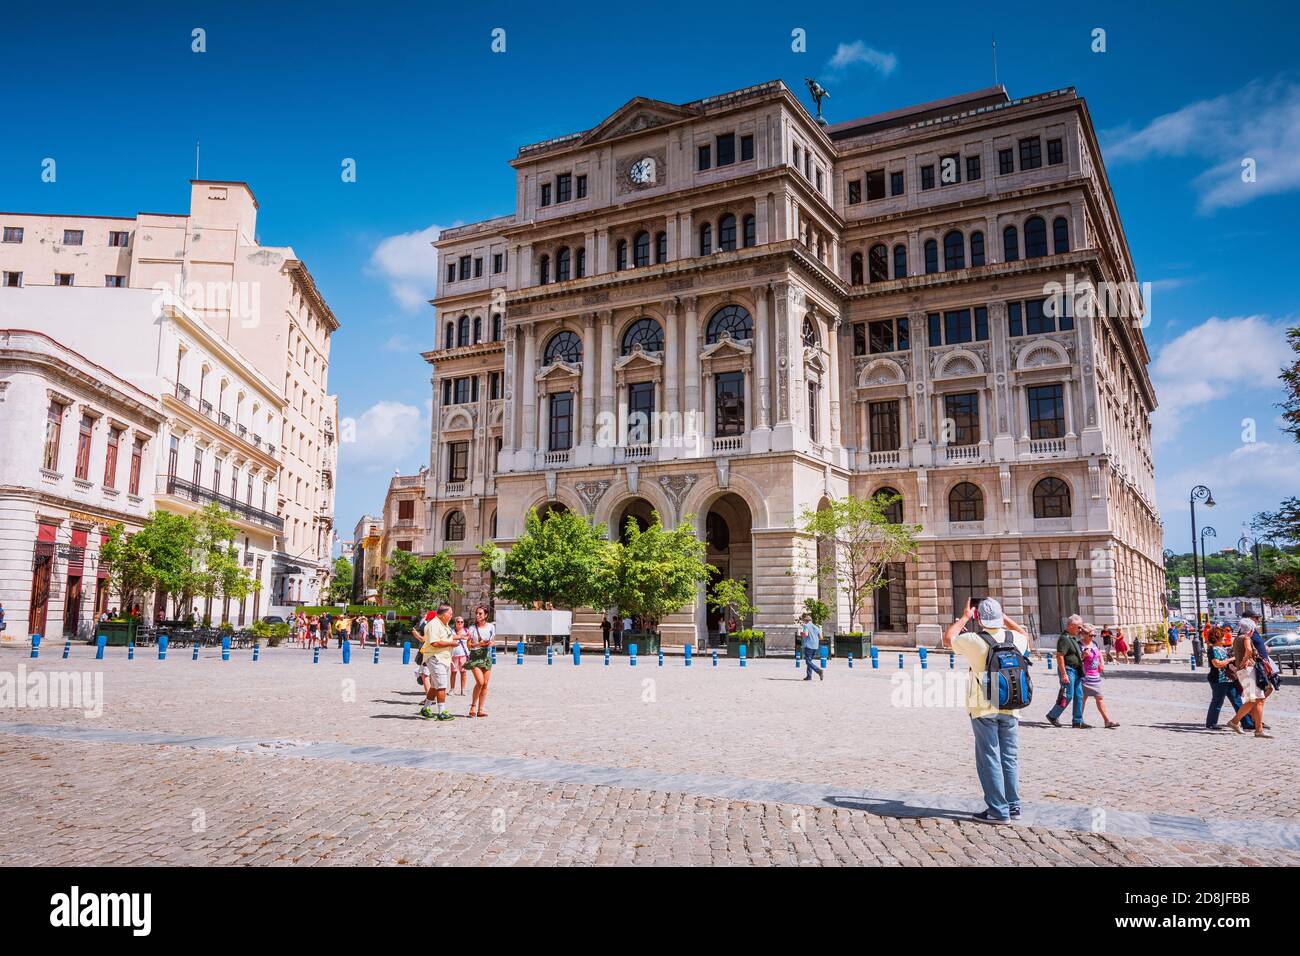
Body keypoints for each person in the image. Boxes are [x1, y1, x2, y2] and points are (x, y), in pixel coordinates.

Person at [943, 597, 1031, 824]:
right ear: (1000, 617)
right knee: (1009, 758)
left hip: (983, 705)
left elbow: (947, 639)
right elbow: (1024, 634)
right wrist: (1005, 618)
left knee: (989, 757)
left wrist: (964, 616)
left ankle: (998, 810)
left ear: (979, 617)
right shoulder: (1016, 639)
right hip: (1011, 704)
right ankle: (1013, 807)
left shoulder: (974, 639)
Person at [1227, 629, 1271, 738]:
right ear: (1250, 630)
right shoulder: (1246, 638)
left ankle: (1258, 729)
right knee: (1255, 699)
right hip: (1248, 671)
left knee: (1257, 700)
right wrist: (1246, 658)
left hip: (1245, 672)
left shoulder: (1237, 639)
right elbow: (1248, 649)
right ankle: (1235, 721)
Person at [1045, 613, 1087, 728]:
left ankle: (1077, 721)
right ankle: (1053, 715)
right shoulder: (1064, 638)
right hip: (1068, 670)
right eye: (1079, 627)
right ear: (1071, 626)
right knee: (1067, 695)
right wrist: (1063, 674)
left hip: (1076, 670)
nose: (1080, 629)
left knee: (1079, 695)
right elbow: (1060, 656)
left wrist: (1083, 655)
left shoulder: (1072, 638)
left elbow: (1074, 656)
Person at [418, 604, 458, 721]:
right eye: (450, 613)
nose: (451, 616)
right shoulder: (434, 624)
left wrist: (460, 637)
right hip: (435, 658)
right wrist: (451, 644)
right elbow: (435, 643)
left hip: (444, 658)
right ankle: (441, 712)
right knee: (442, 685)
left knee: (435, 686)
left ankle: (425, 708)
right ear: (444, 613)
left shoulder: (443, 624)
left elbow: (447, 637)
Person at [1079, 623, 1119, 729]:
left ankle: (1107, 721)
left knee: (1099, 698)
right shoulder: (1079, 645)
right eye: (1091, 635)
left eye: (1094, 635)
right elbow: (1076, 660)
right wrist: (1083, 656)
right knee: (1083, 698)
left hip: (1095, 676)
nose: (1093, 637)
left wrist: (1101, 663)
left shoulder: (1095, 644)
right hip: (1084, 676)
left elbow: (1100, 654)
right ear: (1084, 634)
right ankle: (1079, 720)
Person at [466, 605, 495, 718]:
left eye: (480, 613)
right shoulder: (472, 628)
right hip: (475, 657)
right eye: (477, 613)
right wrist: (479, 644)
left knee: (485, 684)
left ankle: (480, 709)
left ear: (486, 615)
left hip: (486, 656)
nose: (477, 615)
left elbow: (492, 641)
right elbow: (468, 645)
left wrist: (490, 643)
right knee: (480, 682)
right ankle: (473, 705)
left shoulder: (491, 627)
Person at [798, 613, 824, 681]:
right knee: (810, 661)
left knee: (807, 661)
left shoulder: (806, 626)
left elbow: (805, 635)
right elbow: (821, 637)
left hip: (809, 645)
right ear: (811, 621)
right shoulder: (816, 627)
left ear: (806, 621)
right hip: (815, 646)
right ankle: (809, 676)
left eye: (805, 621)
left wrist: (801, 633)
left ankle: (818, 671)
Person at [450, 614, 470, 695]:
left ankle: (463, 689)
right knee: (453, 672)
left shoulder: (467, 631)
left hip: (463, 654)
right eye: (458, 622)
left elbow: (469, 641)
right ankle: (452, 689)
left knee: (463, 672)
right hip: (454, 654)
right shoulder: (452, 631)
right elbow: (451, 638)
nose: (460, 623)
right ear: (455, 623)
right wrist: (461, 637)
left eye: (462, 622)